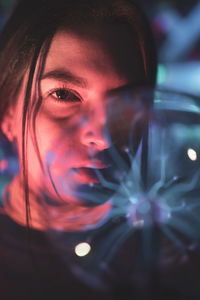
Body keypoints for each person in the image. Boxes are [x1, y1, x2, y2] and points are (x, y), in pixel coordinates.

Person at [0, 0, 157, 299]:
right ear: (7, 112)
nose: (103, 136)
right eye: (63, 94)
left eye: (128, 103)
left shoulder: (169, 256)